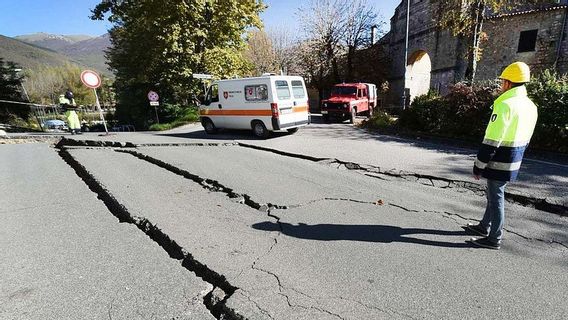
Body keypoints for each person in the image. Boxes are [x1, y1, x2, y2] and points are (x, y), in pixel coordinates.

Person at [466, 62, 538, 250]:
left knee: (496, 197)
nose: (501, 85)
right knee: (493, 194)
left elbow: (492, 139)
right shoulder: (531, 106)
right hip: (515, 158)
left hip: (499, 160)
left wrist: (479, 165)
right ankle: (483, 227)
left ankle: (494, 238)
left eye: (502, 82)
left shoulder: (505, 105)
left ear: (508, 83)